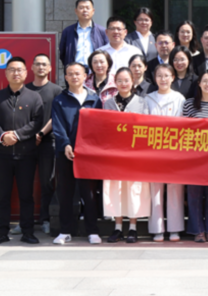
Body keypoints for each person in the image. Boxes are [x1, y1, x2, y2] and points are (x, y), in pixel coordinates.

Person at [0, 57, 43, 245]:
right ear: (6, 73)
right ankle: (1, 232)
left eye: (19, 70)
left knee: (26, 195)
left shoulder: (34, 97)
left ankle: (28, 232)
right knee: (2, 196)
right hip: (2, 155)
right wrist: (3, 136)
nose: (16, 73)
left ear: (26, 73)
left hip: (26, 155)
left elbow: (37, 122)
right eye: (12, 69)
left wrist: (17, 135)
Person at [50, 62, 102, 245]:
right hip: (66, 153)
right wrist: (65, 144)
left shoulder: (94, 99)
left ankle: (92, 231)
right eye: (70, 74)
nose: (74, 77)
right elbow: (57, 125)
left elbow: (99, 125)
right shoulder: (59, 100)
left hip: (87, 154)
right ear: (65, 77)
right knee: (65, 193)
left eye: (77, 73)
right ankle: (65, 231)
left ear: (85, 76)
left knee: (89, 193)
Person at [102, 67, 150, 244]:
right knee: (115, 189)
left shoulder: (142, 102)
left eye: (126, 80)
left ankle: (133, 228)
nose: (123, 84)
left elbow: (146, 128)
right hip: (114, 154)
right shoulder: (109, 103)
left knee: (133, 190)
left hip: (134, 154)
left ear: (133, 81)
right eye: (120, 80)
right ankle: (117, 227)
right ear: (115, 82)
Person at [145, 64, 186, 242]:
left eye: (166, 75)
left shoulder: (179, 98)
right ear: (155, 78)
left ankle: (175, 228)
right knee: (155, 190)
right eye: (159, 76)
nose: (163, 79)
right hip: (153, 150)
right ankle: (157, 229)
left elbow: (184, 124)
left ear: (173, 78)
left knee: (175, 189)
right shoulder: (148, 98)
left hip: (174, 150)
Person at [184, 71, 208, 243]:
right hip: (194, 158)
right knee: (194, 195)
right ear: (199, 83)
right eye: (205, 81)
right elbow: (183, 130)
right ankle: (197, 230)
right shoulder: (189, 104)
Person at [25, 54, 62, 235]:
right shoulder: (24, 89)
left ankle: (45, 219)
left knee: (47, 182)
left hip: (48, 142)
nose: (41, 67)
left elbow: (57, 116)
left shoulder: (56, 90)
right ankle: (24, 221)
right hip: (26, 142)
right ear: (32, 67)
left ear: (50, 68)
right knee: (25, 182)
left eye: (44, 64)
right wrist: (29, 134)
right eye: (37, 64)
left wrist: (40, 133)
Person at [59, 0, 107, 69]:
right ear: (76, 11)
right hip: (75, 71)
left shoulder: (102, 31)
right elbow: (62, 54)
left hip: (95, 70)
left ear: (93, 11)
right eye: (81, 8)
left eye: (88, 8)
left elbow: (107, 52)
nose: (85, 10)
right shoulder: (67, 31)